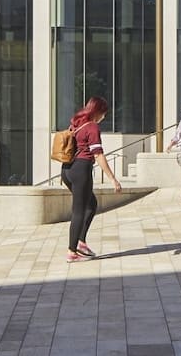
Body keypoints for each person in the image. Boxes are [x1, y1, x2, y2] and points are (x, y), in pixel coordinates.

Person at [62, 95, 121, 261]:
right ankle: (72, 252)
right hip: (80, 169)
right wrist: (113, 179)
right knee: (79, 211)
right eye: (104, 113)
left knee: (91, 204)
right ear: (98, 111)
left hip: (66, 169)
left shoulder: (77, 122)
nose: (104, 116)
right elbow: (98, 155)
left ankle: (81, 242)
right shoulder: (93, 127)